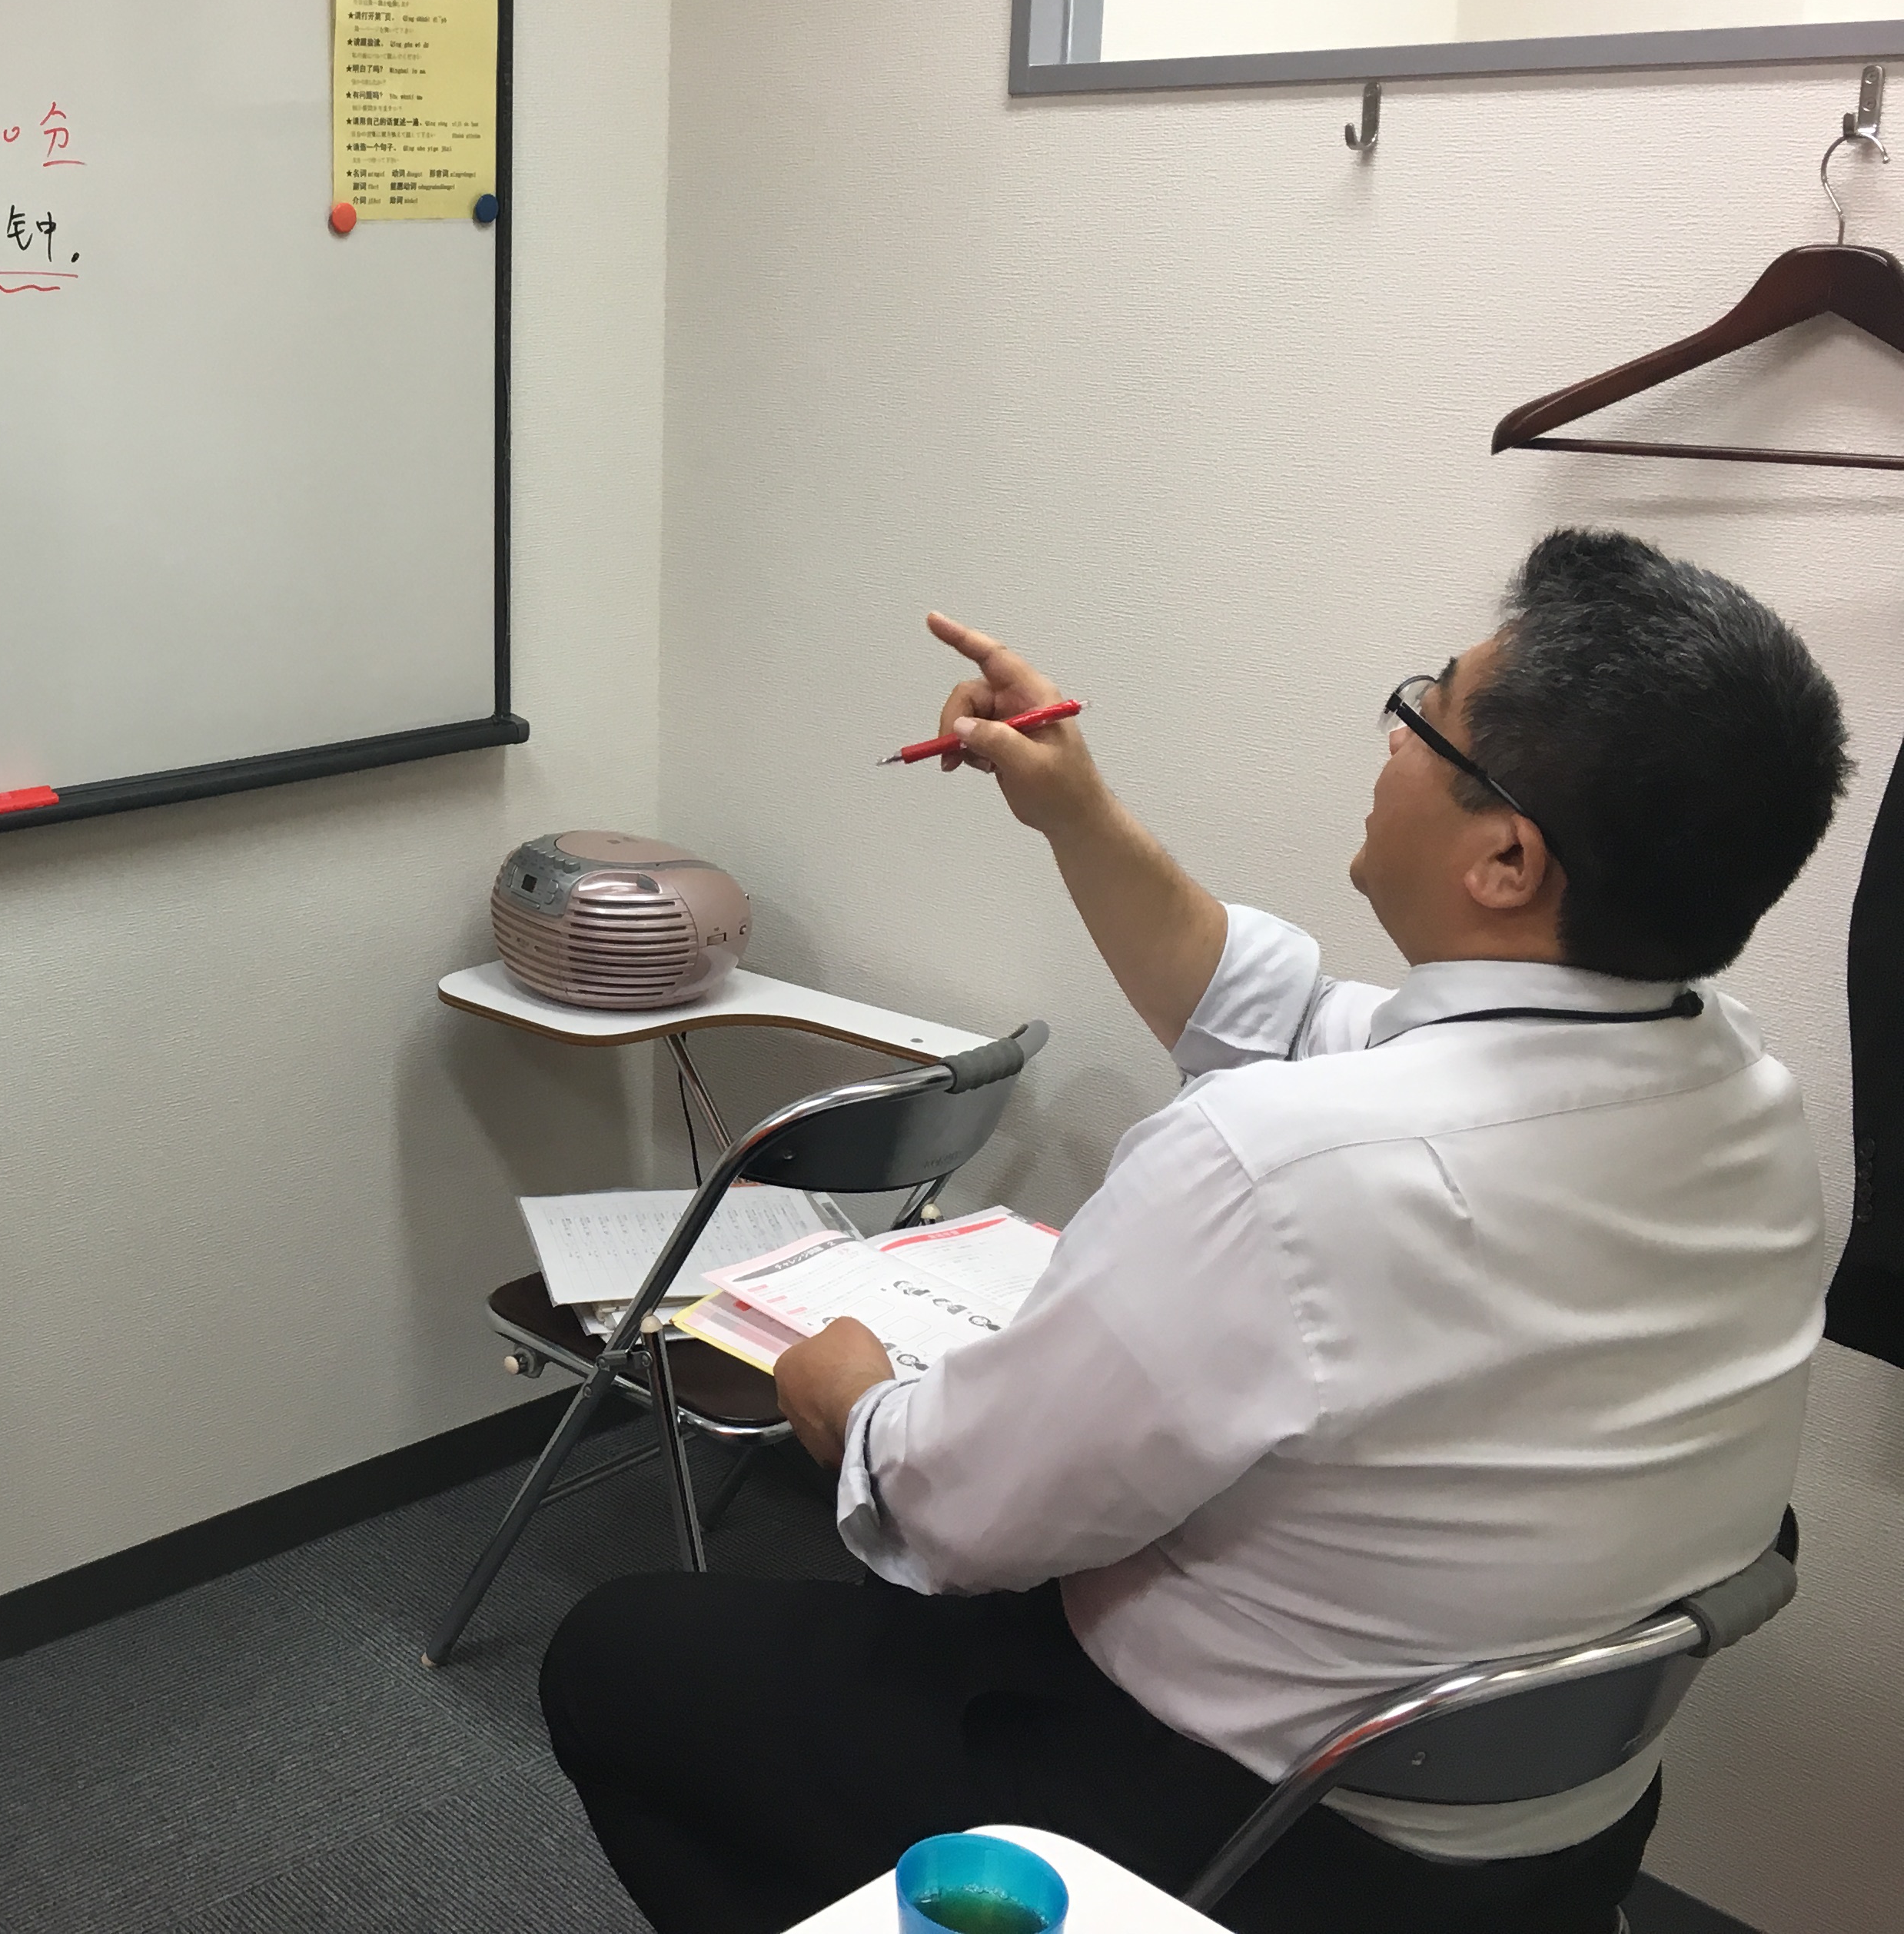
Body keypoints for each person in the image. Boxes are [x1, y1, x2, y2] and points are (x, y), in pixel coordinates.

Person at [542, 530, 1851, 1934]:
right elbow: (1281, 1022)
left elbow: (951, 1517)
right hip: (1558, 1854)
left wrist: (848, 1395)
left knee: (623, 1657)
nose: (1394, 737)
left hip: (1245, 1846)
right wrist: (1075, 810)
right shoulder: (1745, 1094)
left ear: (1507, 857)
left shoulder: (1279, 1169)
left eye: (1427, 713)